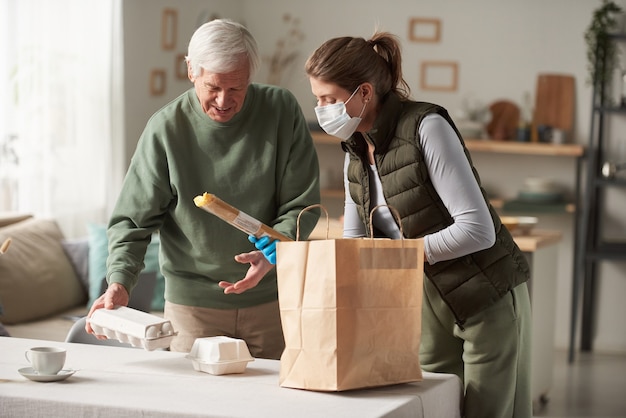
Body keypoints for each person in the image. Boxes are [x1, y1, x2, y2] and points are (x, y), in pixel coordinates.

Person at [305, 32, 532, 418]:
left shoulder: (426, 127)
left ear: (363, 93)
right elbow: (356, 238)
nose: (322, 109)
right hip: (424, 303)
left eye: (329, 99)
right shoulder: (354, 152)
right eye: (317, 99)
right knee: (433, 408)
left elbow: (478, 229)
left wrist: (399, 255)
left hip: (485, 296)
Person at [85, 19, 320, 360]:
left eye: (237, 88)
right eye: (213, 87)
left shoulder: (281, 110)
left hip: (271, 300)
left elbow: (303, 204)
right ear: (191, 70)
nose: (224, 101)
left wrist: (275, 251)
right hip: (192, 308)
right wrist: (119, 282)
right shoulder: (166, 130)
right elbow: (133, 222)